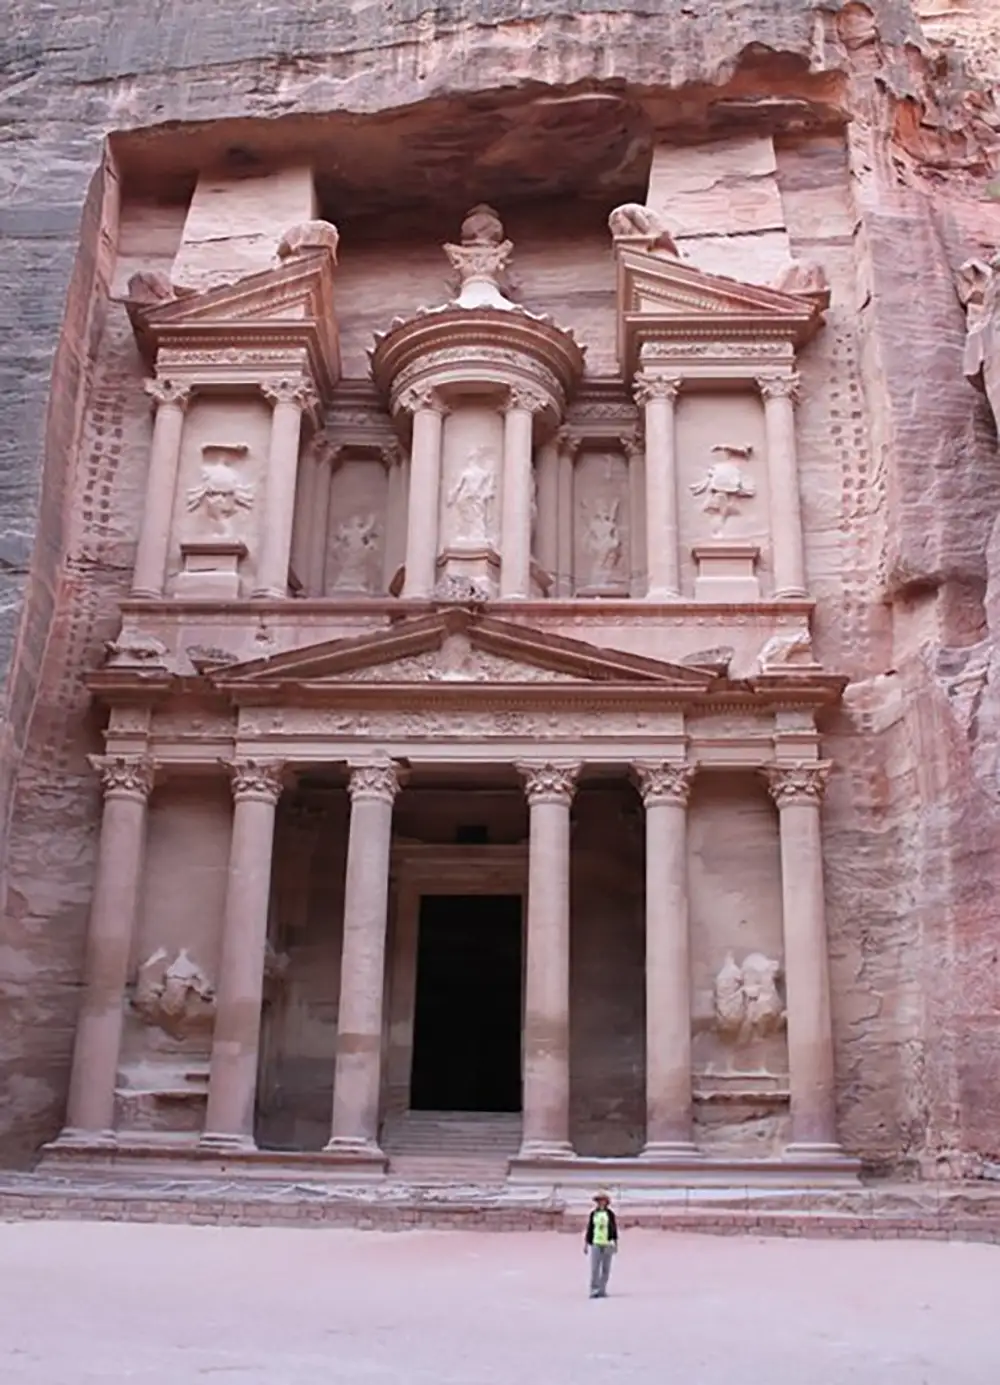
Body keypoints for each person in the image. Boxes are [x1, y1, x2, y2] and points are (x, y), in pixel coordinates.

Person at [583, 1191, 618, 1298]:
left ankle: (602, 1289)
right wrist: (586, 1244)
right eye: (599, 1201)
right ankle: (594, 1289)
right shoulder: (594, 1214)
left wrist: (616, 1243)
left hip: (607, 1243)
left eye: (602, 1200)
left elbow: (614, 1229)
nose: (601, 1202)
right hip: (596, 1243)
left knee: (606, 1268)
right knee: (595, 1268)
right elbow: (590, 1229)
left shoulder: (610, 1214)